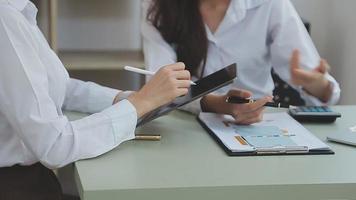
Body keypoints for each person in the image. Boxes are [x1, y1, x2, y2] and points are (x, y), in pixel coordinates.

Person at [0, 0, 192, 199]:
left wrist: (127, 99)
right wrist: (139, 103)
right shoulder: (5, 19)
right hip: (15, 185)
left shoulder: (20, 13)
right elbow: (53, 146)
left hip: (31, 178)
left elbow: (59, 88)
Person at [141, 0, 341, 125]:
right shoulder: (158, 6)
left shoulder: (270, 4)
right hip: (185, 124)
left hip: (258, 122)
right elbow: (160, 89)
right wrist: (217, 104)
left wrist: (317, 85)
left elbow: (323, 89)